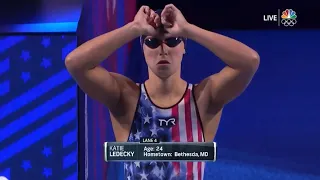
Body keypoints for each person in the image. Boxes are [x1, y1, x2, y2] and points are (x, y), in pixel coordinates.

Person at [65, 4, 259, 180]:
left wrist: (189, 29)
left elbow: (249, 61)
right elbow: (75, 63)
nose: (163, 49)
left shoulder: (203, 99)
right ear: (142, 49)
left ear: (184, 48)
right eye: (152, 42)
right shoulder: (126, 98)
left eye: (173, 41)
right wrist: (133, 28)